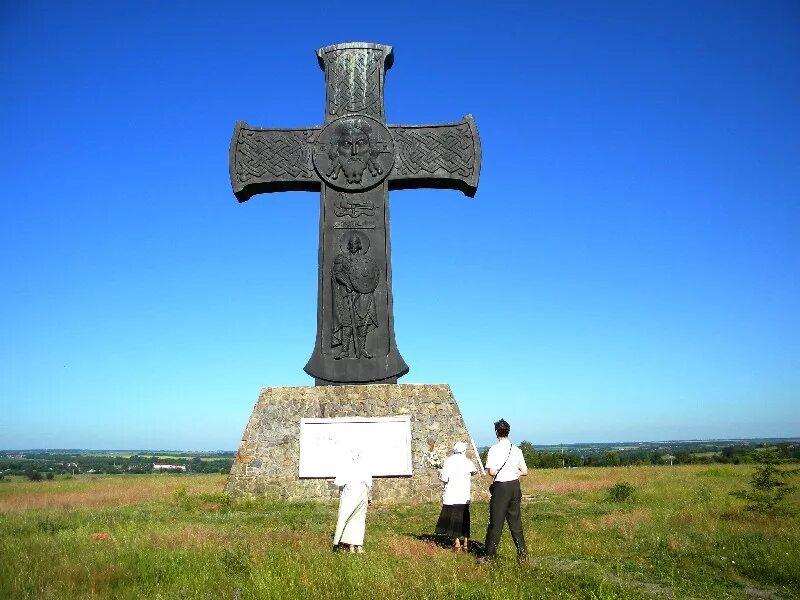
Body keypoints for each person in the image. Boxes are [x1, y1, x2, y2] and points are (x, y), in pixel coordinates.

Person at [482, 418, 528, 561]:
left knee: (496, 523)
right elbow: (525, 471)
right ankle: (523, 554)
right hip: (514, 486)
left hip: (501, 487)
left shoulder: (493, 450)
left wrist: (502, 473)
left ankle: (489, 556)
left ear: (497, 432)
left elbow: (491, 472)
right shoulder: (517, 449)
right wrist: (515, 473)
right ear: (508, 432)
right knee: (515, 523)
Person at [332, 233, 378, 360]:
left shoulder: (365, 260)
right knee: (347, 324)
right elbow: (337, 274)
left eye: (356, 243)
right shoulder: (341, 258)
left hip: (363, 295)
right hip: (347, 295)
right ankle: (345, 350)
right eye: (351, 243)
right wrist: (346, 283)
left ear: (360, 245)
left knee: (362, 324)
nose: (354, 245)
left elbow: (370, 277)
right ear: (348, 245)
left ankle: (362, 349)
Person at [436, 441, 477, 552]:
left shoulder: (449, 461)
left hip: (452, 494)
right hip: (464, 495)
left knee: (454, 520)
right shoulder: (467, 462)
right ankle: (466, 543)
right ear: (464, 450)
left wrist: (439, 473)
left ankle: (457, 544)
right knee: (465, 519)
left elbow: (444, 478)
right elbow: (474, 471)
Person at [332, 448, 373, 553]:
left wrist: (368, 497)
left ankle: (350, 544)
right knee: (357, 519)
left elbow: (340, 484)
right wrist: (369, 497)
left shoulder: (347, 466)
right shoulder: (362, 466)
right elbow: (368, 483)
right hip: (359, 492)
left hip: (352, 492)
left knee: (347, 517)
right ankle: (354, 545)